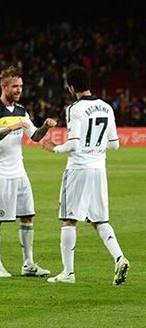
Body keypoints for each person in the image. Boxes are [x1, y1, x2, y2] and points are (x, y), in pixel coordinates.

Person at [41, 67, 129, 285]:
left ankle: (68, 273)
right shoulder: (107, 107)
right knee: (99, 219)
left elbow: (74, 143)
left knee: (68, 219)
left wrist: (54, 148)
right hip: (99, 169)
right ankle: (119, 257)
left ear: (71, 87)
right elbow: (115, 144)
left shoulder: (75, 108)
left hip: (79, 169)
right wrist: (96, 146)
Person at [0, 65, 54, 278]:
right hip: (0, 173)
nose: (19, 90)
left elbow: (35, 137)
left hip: (19, 172)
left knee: (28, 215)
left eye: (21, 86)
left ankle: (28, 263)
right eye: (15, 86)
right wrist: (8, 129)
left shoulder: (22, 111)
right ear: (3, 86)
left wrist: (46, 126)